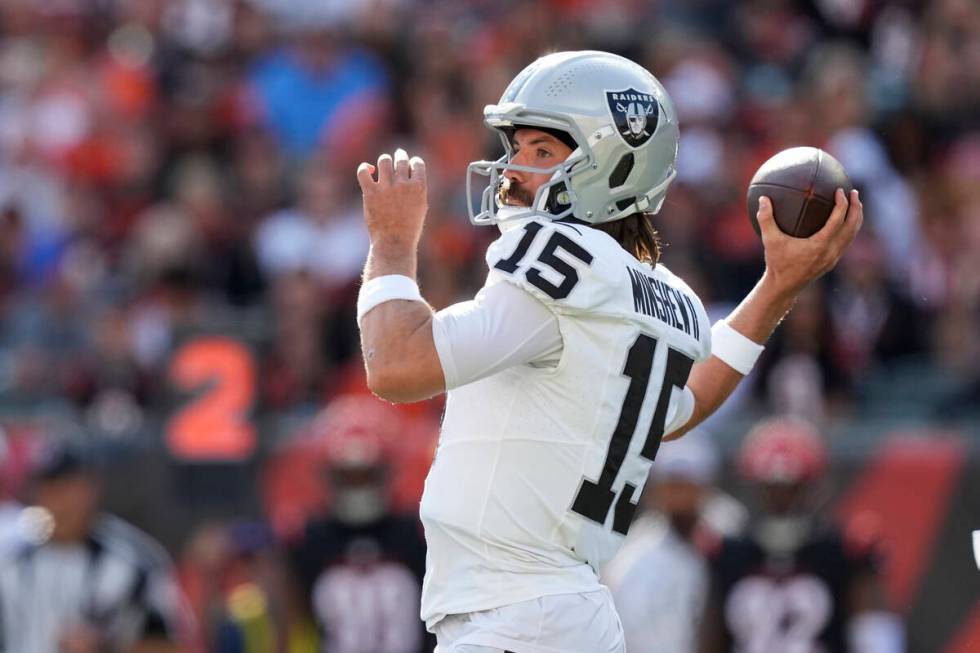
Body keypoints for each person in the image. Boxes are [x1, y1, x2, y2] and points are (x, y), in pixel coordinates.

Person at [355, 50, 863, 653]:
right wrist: (777, 286)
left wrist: (391, 241)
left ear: (612, 165)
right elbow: (687, 404)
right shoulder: (666, 298)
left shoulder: (562, 263)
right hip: (561, 614)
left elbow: (396, 365)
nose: (513, 168)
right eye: (515, 148)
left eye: (541, 151)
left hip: (518, 618)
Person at [698, 417, 904, 653]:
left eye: (792, 488)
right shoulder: (726, 554)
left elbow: (875, 637)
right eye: (771, 489)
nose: (781, 501)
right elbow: (709, 639)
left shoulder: (845, 551)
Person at [0, 444, 191, 652]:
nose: (57, 503)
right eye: (47, 490)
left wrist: (108, 646)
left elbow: (174, 644)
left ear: (91, 489)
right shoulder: (11, 561)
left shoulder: (134, 562)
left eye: (66, 489)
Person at [288, 396, 431, 653]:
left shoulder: (418, 536)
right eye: (348, 476)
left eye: (366, 475)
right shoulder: (308, 540)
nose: (357, 486)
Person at [604, 430, 746, 653]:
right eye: (673, 484)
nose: (680, 495)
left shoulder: (732, 533)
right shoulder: (633, 557)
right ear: (657, 489)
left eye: (689, 483)